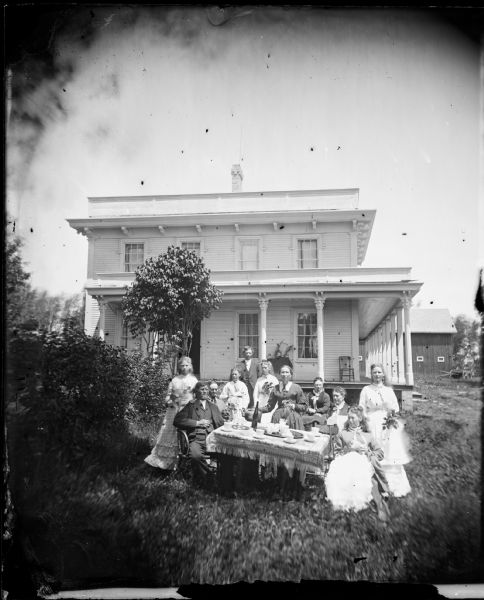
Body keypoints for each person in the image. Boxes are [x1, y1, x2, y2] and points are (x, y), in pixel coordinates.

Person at [325, 406, 390, 521]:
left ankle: (379, 505)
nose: (350, 420)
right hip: (347, 460)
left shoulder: (368, 435)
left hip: (365, 461)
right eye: (349, 418)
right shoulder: (343, 433)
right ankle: (346, 507)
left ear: (360, 419)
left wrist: (368, 451)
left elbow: (380, 453)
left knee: (369, 478)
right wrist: (349, 450)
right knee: (346, 475)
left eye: (353, 418)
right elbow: (337, 451)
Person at [359, 363, 411, 497]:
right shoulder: (366, 389)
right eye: (374, 372)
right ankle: (374, 486)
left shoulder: (389, 390)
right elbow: (361, 407)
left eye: (379, 372)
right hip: (372, 423)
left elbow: (395, 408)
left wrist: (391, 418)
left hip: (386, 424)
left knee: (388, 453)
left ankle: (393, 486)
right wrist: (365, 420)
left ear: (383, 375)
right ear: (371, 375)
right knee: (374, 451)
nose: (377, 375)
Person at [144, 356, 198, 471]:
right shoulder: (175, 380)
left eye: (186, 365)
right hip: (173, 411)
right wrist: (171, 400)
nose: (184, 368)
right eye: (182, 365)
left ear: (190, 366)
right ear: (179, 367)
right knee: (170, 434)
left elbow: (196, 397)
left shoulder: (194, 380)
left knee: (186, 435)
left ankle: (185, 464)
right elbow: (167, 398)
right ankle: (166, 464)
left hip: (187, 411)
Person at [174, 381, 224, 488]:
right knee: (195, 456)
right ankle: (210, 479)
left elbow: (221, 424)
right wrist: (197, 423)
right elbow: (177, 420)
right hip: (196, 439)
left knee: (227, 454)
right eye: (202, 389)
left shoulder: (213, 407)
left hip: (213, 440)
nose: (205, 391)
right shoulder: (191, 406)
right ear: (196, 392)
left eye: (206, 389)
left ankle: (224, 481)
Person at [262, 365, 308, 430]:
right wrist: (258, 409)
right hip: (278, 417)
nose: (284, 374)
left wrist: (294, 406)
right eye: (282, 372)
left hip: (293, 417)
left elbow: (304, 407)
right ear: (279, 374)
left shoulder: (296, 388)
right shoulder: (276, 388)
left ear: (291, 375)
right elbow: (269, 407)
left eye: (287, 372)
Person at [249, 360, 279, 424]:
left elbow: (276, 393)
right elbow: (255, 393)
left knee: (267, 420)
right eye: (262, 368)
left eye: (265, 368)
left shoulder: (274, 379)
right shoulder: (259, 380)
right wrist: (256, 403)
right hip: (260, 402)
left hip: (270, 403)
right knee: (258, 420)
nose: (263, 369)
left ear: (269, 368)